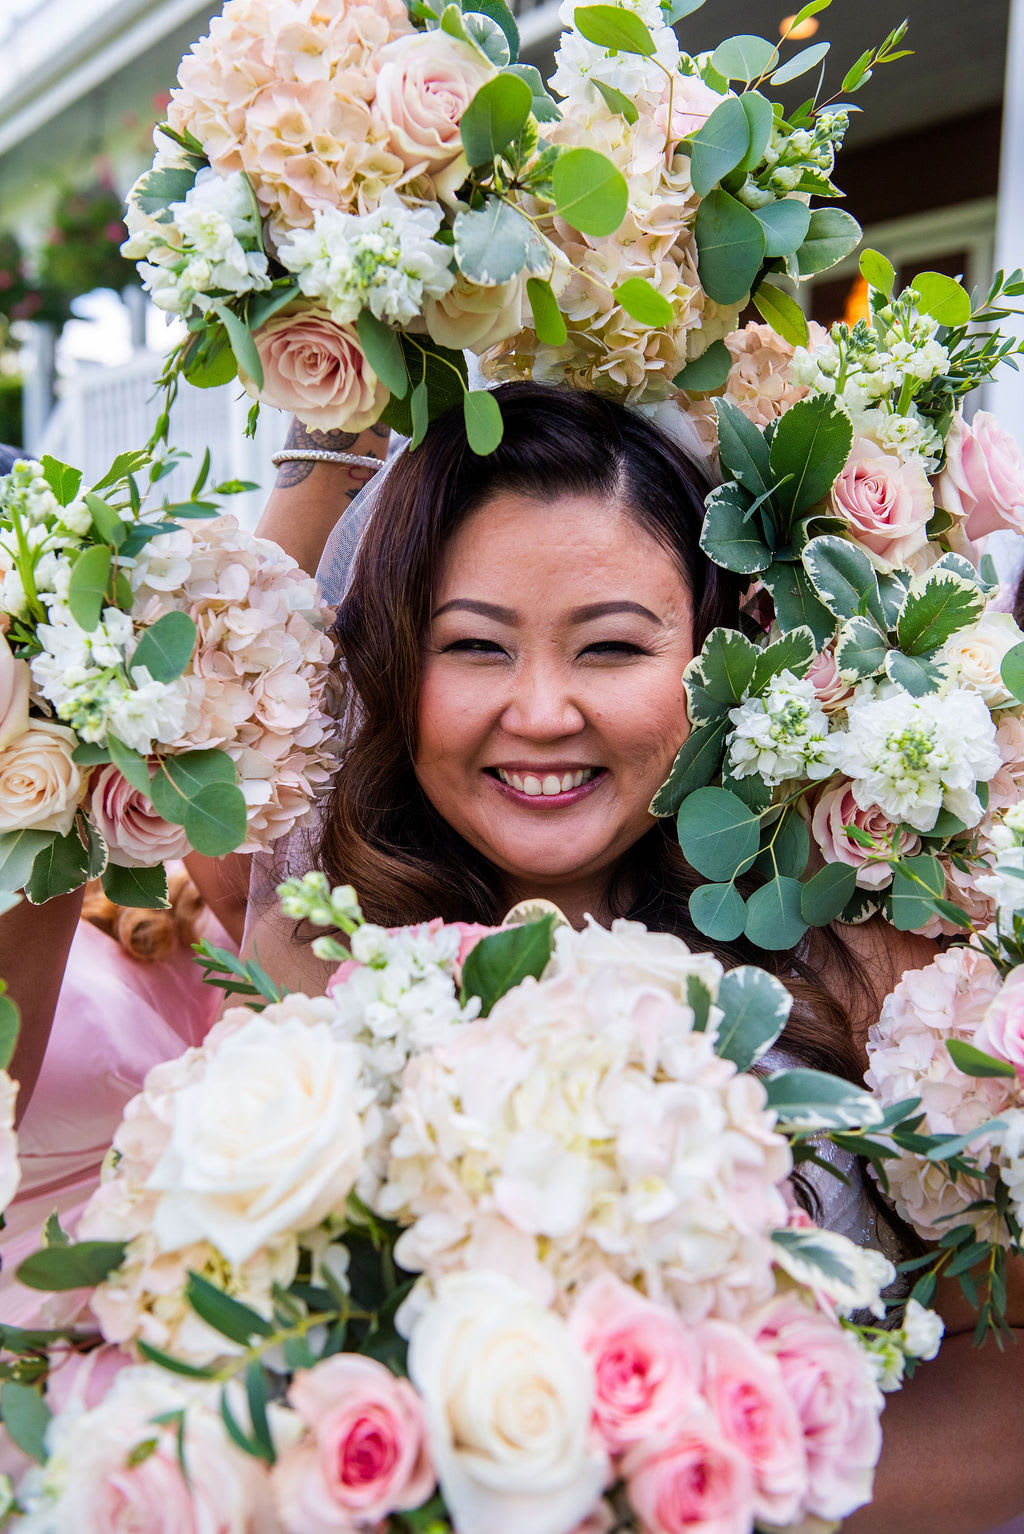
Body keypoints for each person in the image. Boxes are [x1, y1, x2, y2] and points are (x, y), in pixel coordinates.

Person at [240, 381, 1024, 1534]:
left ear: (713, 661)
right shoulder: (312, 962)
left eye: (610, 646)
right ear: (402, 665)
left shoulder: (861, 959)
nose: (542, 710)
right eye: (476, 647)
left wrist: (693, 1497)